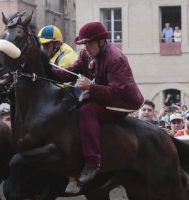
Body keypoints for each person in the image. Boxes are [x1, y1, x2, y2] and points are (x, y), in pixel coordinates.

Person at [50, 22, 144, 187]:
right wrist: (46, 70)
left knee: (87, 111)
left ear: (101, 41)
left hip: (124, 101)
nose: (86, 47)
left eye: (89, 43)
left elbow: (115, 92)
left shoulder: (116, 59)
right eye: (84, 44)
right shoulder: (86, 54)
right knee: (74, 107)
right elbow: (70, 72)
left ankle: (92, 163)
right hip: (105, 95)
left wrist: (89, 87)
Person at [37, 25, 79, 97]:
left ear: (58, 44)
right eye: (42, 45)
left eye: (46, 45)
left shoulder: (66, 58)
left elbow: (56, 87)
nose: (43, 49)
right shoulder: (52, 52)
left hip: (71, 94)